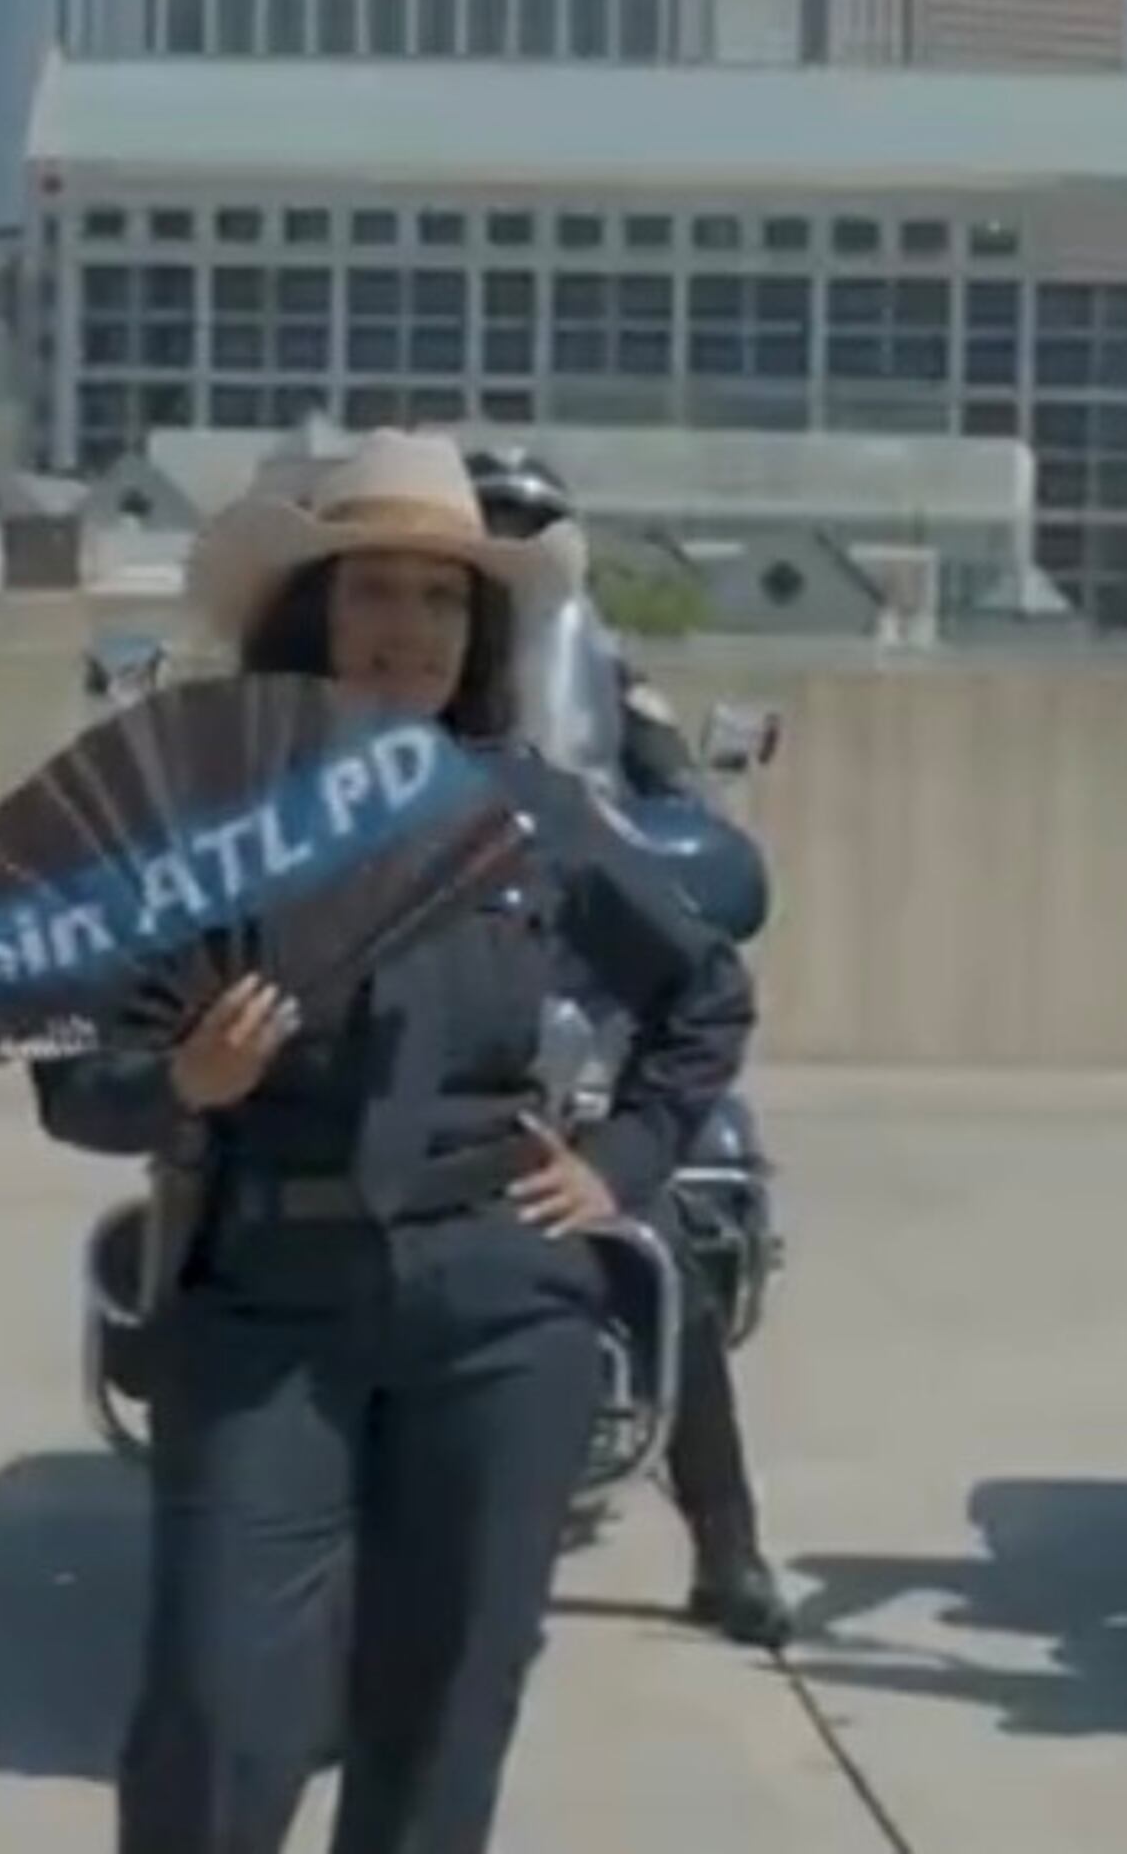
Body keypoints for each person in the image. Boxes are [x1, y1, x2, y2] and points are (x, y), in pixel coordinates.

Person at [40, 430, 757, 1854]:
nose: (407, 632)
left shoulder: (539, 812)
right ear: (310, 614)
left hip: (497, 1305)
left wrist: (617, 1164)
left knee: (441, 1722)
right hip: (263, 1310)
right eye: (375, 591)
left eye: (442, 601)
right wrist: (186, 1079)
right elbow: (75, 1077)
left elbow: (704, 993)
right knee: (213, 1717)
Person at [464, 442, 788, 1648]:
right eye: (488, 517)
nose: (509, 542)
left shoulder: (607, 670)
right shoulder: (363, 663)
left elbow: (674, 807)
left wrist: (683, 852)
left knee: (658, 1242)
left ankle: (729, 1545)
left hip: (571, 980)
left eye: (527, 523)